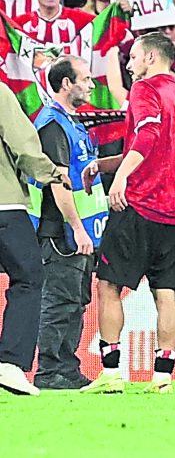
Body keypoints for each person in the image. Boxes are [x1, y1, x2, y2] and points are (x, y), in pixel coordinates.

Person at [89, 30, 175, 394]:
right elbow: (156, 147)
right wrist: (105, 164)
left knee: (108, 286)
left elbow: (147, 138)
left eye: (132, 57)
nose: (129, 65)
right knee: (166, 292)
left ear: (150, 58)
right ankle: (163, 377)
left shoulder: (145, 90)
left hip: (141, 206)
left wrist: (118, 178)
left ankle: (112, 373)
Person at [30, 58, 99, 392]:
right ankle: (49, 371)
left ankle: (67, 368)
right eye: (85, 79)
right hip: (61, 231)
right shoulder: (53, 124)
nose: (91, 85)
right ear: (66, 83)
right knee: (59, 302)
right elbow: (58, 182)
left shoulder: (71, 123)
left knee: (75, 301)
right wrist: (77, 227)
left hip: (77, 230)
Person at [0, 69, 57, 396]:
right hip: (4, 204)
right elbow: (22, 144)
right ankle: (10, 363)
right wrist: (51, 174)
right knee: (29, 277)